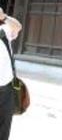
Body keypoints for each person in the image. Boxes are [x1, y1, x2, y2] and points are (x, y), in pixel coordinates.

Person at [0, 8, 22, 140]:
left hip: (7, 86)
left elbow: (18, 27)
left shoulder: (4, 29)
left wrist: (5, 17)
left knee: (4, 127)